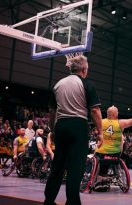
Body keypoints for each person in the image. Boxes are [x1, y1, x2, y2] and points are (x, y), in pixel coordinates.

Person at [44, 54, 103, 205]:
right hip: (78, 125)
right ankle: (72, 202)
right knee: (76, 166)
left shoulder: (58, 84)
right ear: (84, 69)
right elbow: (95, 111)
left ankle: (49, 200)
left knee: (58, 165)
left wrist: (53, 130)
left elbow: (52, 112)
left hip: (61, 125)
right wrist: (101, 133)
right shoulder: (86, 84)